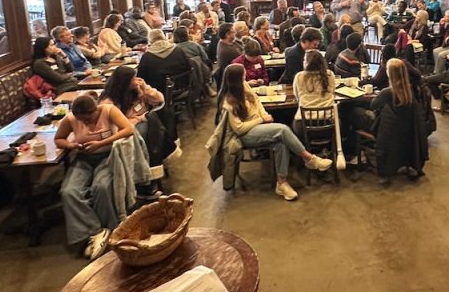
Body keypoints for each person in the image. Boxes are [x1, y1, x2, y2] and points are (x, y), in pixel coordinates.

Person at [218, 64, 332, 201]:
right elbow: (239, 129)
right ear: (236, 79)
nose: (245, 78)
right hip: (245, 135)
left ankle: (281, 183)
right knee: (282, 129)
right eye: (243, 76)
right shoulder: (228, 102)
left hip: (258, 127)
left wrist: (264, 115)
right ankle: (310, 159)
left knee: (281, 143)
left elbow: (257, 101)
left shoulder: (245, 86)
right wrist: (261, 119)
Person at [55, 95, 135, 259]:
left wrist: (101, 143)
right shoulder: (70, 119)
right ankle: (96, 231)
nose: (85, 123)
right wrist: (71, 145)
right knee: (68, 191)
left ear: (96, 109)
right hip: (83, 158)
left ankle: (111, 228)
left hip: (108, 156)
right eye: (81, 120)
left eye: (88, 119)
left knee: (101, 187)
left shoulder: (108, 110)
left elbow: (129, 129)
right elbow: (58, 139)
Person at [370, 58, 428, 185]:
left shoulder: (387, 93)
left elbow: (373, 105)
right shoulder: (409, 92)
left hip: (390, 132)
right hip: (407, 132)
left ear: (389, 73)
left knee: (358, 114)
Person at [136, 29, 192, 95]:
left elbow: (140, 79)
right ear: (164, 37)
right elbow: (189, 67)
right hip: (182, 88)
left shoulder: (147, 57)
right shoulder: (178, 50)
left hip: (157, 93)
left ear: (150, 41)